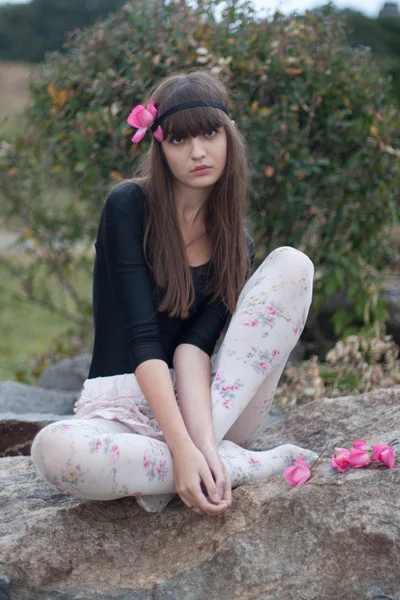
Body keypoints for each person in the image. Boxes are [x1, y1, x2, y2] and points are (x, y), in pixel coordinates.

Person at [31, 70, 317, 516]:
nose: (198, 152)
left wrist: (198, 442)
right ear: (159, 149)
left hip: (212, 408)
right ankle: (240, 465)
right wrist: (179, 448)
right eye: (179, 140)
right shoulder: (128, 206)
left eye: (209, 133)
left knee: (293, 265)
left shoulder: (235, 243)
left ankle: (199, 461)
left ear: (229, 136)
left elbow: (193, 348)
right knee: (54, 449)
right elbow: (143, 339)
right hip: (123, 408)